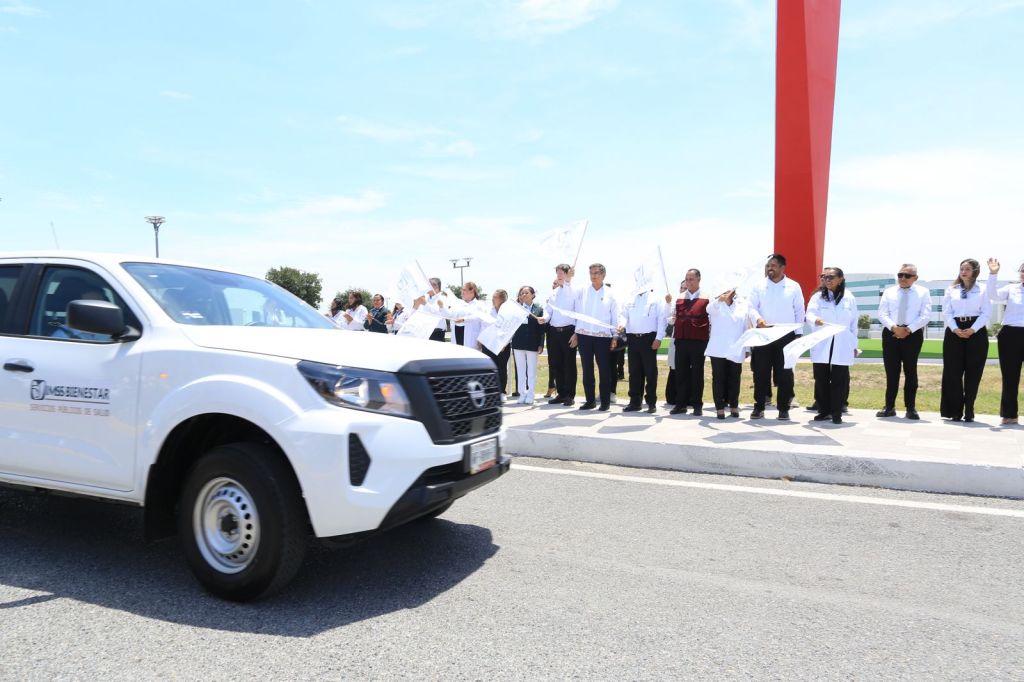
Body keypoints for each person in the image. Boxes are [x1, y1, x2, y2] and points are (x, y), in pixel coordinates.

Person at [748, 254, 805, 420]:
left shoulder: (794, 286)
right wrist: (758, 319)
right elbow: (751, 307)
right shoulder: (758, 286)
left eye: (773, 265)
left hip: (785, 334)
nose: (769, 268)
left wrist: (798, 334)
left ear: (782, 268)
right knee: (760, 372)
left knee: (784, 373)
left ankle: (783, 408)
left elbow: (799, 311)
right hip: (763, 333)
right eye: (768, 265)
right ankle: (759, 406)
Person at [875, 264, 932, 420]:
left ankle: (911, 408)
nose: (902, 278)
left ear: (915, 278)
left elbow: (925, 315)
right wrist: (894, 328)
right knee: (891, 372)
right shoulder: (889, 291)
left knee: (910, 371)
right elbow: (882, 313)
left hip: (912, 335)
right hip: (891, 333)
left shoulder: (923, 292)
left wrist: (908, 329)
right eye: (900, 275)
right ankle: (889, 406)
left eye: (907, 276)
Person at [806, 267, 859, 424]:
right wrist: (816, 320)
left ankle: (837, 412)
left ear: (840, 279)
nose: (827, 280)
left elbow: (854, 322)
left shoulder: (849, 297)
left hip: (842, 342)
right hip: (822, 340)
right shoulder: (818, 297)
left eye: (831, 277)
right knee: (821, 378)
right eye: (824, 277)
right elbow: (809, 313)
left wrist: (854, 343)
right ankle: (823, 411)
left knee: (839, 380)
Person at [940, 258, 990, 423]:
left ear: (975, 271)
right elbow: (946, 312)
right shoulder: (952, 289)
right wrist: (955, 329)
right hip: (954, 331)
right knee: (952, 373)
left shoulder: (983, 289)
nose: (964, 272)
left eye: (967, 269)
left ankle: (969, 409)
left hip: (976, 331)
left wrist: (972, 329)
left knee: (973, 373)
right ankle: (955, 410)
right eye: (962, 268)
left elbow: (986, 313)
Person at [570, 263, 620, 411]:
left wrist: (615, 336)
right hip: (584, 335)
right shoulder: (582, 290)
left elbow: (615, 316)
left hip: (603, 337)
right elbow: (570, 297)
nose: (593, 276)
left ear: (603, 275)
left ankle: (605, 402)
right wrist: (569, 279)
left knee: (604, 370)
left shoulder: (611, 293)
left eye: (597, 273)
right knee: (587, 370)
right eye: (591, 273)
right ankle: (590, 401)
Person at [620, 289, 670, 413]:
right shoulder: (630, 298)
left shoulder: (655, 298)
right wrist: (621, 324)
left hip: (649, 339)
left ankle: (651, 402)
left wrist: (659, 338)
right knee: (634, 372)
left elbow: (661, 320)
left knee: (650, 372)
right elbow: (623, 315)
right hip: (633, 338)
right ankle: (635, 402)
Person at [987, 257, 1024, 425]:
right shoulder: (1011, 288)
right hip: (1010, 334)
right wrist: (993, 274)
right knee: (1010, 376)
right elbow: (992, 296)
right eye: (1022, 270)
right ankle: (1009, 414)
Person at [669, 269, 709, 416]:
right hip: (681, 340)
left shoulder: (707, 297)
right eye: (687, 279)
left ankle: (697, 404)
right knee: (680, 373)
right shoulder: (679, 297)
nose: (688, 282)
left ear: (699, 279)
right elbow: (671, 317)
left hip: (699, 341)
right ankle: (681, 404)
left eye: (691, 279)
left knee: (697, 373)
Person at [705, 288, 748, 419]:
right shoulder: (715, 305)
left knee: (734, 378)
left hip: (736, 348)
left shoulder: (742, 304)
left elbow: (745, 326)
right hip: (718, 349)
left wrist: (746, 348)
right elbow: (709, 309)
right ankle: (719, 408)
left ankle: (734, 406)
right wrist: (720, 299)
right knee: (719, 379)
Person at [545, 264, 577, 406]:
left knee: (569, 364)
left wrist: (576, 333)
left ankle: (570, 395)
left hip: (568, 331)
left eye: (561, 272)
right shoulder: (553, 293)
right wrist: (543, 318)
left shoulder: (573, 290)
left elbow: (577, 311)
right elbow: (548, 312)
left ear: (567, 274)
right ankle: (561, 394)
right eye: (557, 272)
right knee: (556, 364)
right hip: (553, 332)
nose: (558, 275)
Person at [510, 286, 547, 405]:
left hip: (532, 343)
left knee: (531, 370)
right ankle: (522, 394)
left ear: (532, 295)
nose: (524, 295)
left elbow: (542, 329)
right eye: (522, 293)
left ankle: (531, 394)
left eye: (526, 293)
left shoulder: (539, 309)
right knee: (520, 370)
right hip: (518, 343)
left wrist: (541, 344)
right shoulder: (516, 309)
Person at [479, 289, 512, 400]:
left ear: (502, 299)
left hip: (503, 346)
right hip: (488, 344)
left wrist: (504, 343)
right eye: (492, 297)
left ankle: (502, 392)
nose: (492, 299)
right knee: (490, 368)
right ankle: (491, 392)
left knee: (502, 368)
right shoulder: (488, 311)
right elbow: (483, 326)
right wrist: (481, 340)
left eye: (495, 297)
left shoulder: (507, 312)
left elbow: (510, 329)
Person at [451, 281, 488, 349]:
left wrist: (464, 319)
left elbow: (479, 316)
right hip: (457, 337)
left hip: (472, 341)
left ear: (472, 291)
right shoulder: (459, 305)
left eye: (464, 290)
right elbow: (451, 314)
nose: (462, 292)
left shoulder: (480, 304)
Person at [426, 277, 449, 342]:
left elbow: (438, 313)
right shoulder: (426, 298)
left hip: (437, 332)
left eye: (428, 285)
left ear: (435, 287)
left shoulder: (442, 298)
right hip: (426, 331)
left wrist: (425, 304)